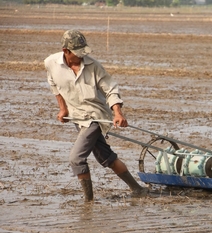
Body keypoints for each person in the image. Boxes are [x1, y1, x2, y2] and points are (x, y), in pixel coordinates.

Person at [44, 29, 149, 202]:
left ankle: (88, 201)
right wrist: (63, 109)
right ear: (65, 51)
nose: (81, 56)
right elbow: (54, 85)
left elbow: (110, 89)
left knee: (76, 158)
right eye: (77, 53)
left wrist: (117, 113)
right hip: (77, 117)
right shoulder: (51, 63)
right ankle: (137, 189)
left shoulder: (93, 66)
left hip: (95, 116)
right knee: (106, 157)